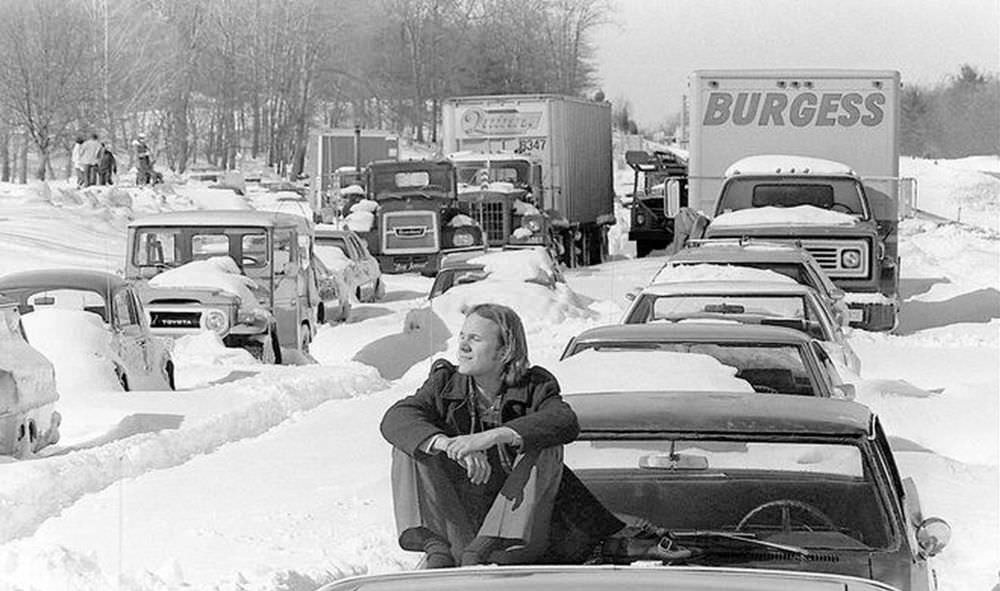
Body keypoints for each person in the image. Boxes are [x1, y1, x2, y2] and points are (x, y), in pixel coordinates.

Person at [381, 303, 690, 568]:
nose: (461, 346)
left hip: (523, 537)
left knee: (544, 445)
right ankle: (437, 546)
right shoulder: (444, 382)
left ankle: (494, 541)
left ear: (504, 351)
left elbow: (563, 421)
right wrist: (448, 444)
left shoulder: (535, 386)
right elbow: (395, 418)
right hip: (459, 530)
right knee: (410, 443)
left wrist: (493, 437)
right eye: (462, 336)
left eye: (474, 339)